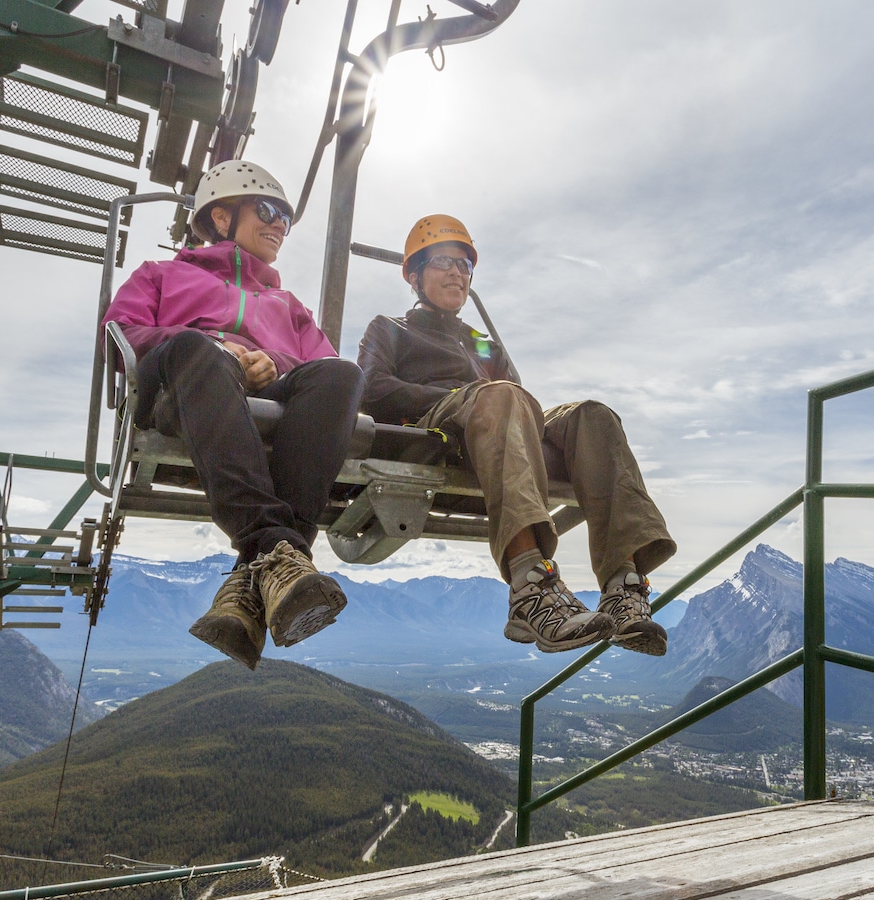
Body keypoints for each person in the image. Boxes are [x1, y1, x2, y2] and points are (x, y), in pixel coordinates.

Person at [357, 215, 676, 656]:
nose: (457, 273)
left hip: (498, 420)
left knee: (593, 417)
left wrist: (498, 402)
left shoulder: (482, 344)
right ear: (414, 275)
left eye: (464, 266)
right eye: (443, 262)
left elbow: (517, 402)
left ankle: (624, 586)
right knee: (502, 395)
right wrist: (464, 395)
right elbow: (371, 389)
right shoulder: (391, 329)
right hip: (440, 426)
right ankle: (530, 586)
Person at [102, 160, 364, 669]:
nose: (279, 227)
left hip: (266, 405)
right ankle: (281, 553)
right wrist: (217, 347)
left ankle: (256, 575)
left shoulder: (287, 304)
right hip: (187, 386)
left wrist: (275, 361)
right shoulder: (161, 276)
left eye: (286, 219)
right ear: (221, 219)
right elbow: (122, 333)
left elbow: (322, 364)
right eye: (267, 211)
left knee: (342, 377)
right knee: (200, 349)